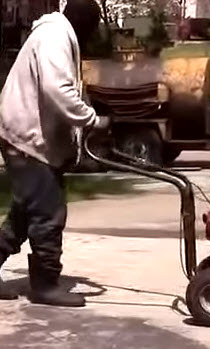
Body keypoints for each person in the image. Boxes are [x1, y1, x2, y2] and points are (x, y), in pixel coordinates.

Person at [0, 0, 109, 307]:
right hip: (26, 139)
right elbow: (58, 90)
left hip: (27, 137)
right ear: (85, 25)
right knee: (48, 212)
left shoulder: (56, 36)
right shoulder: (54, 38)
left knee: (26, 211)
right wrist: (92, 119)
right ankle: (45, 285)